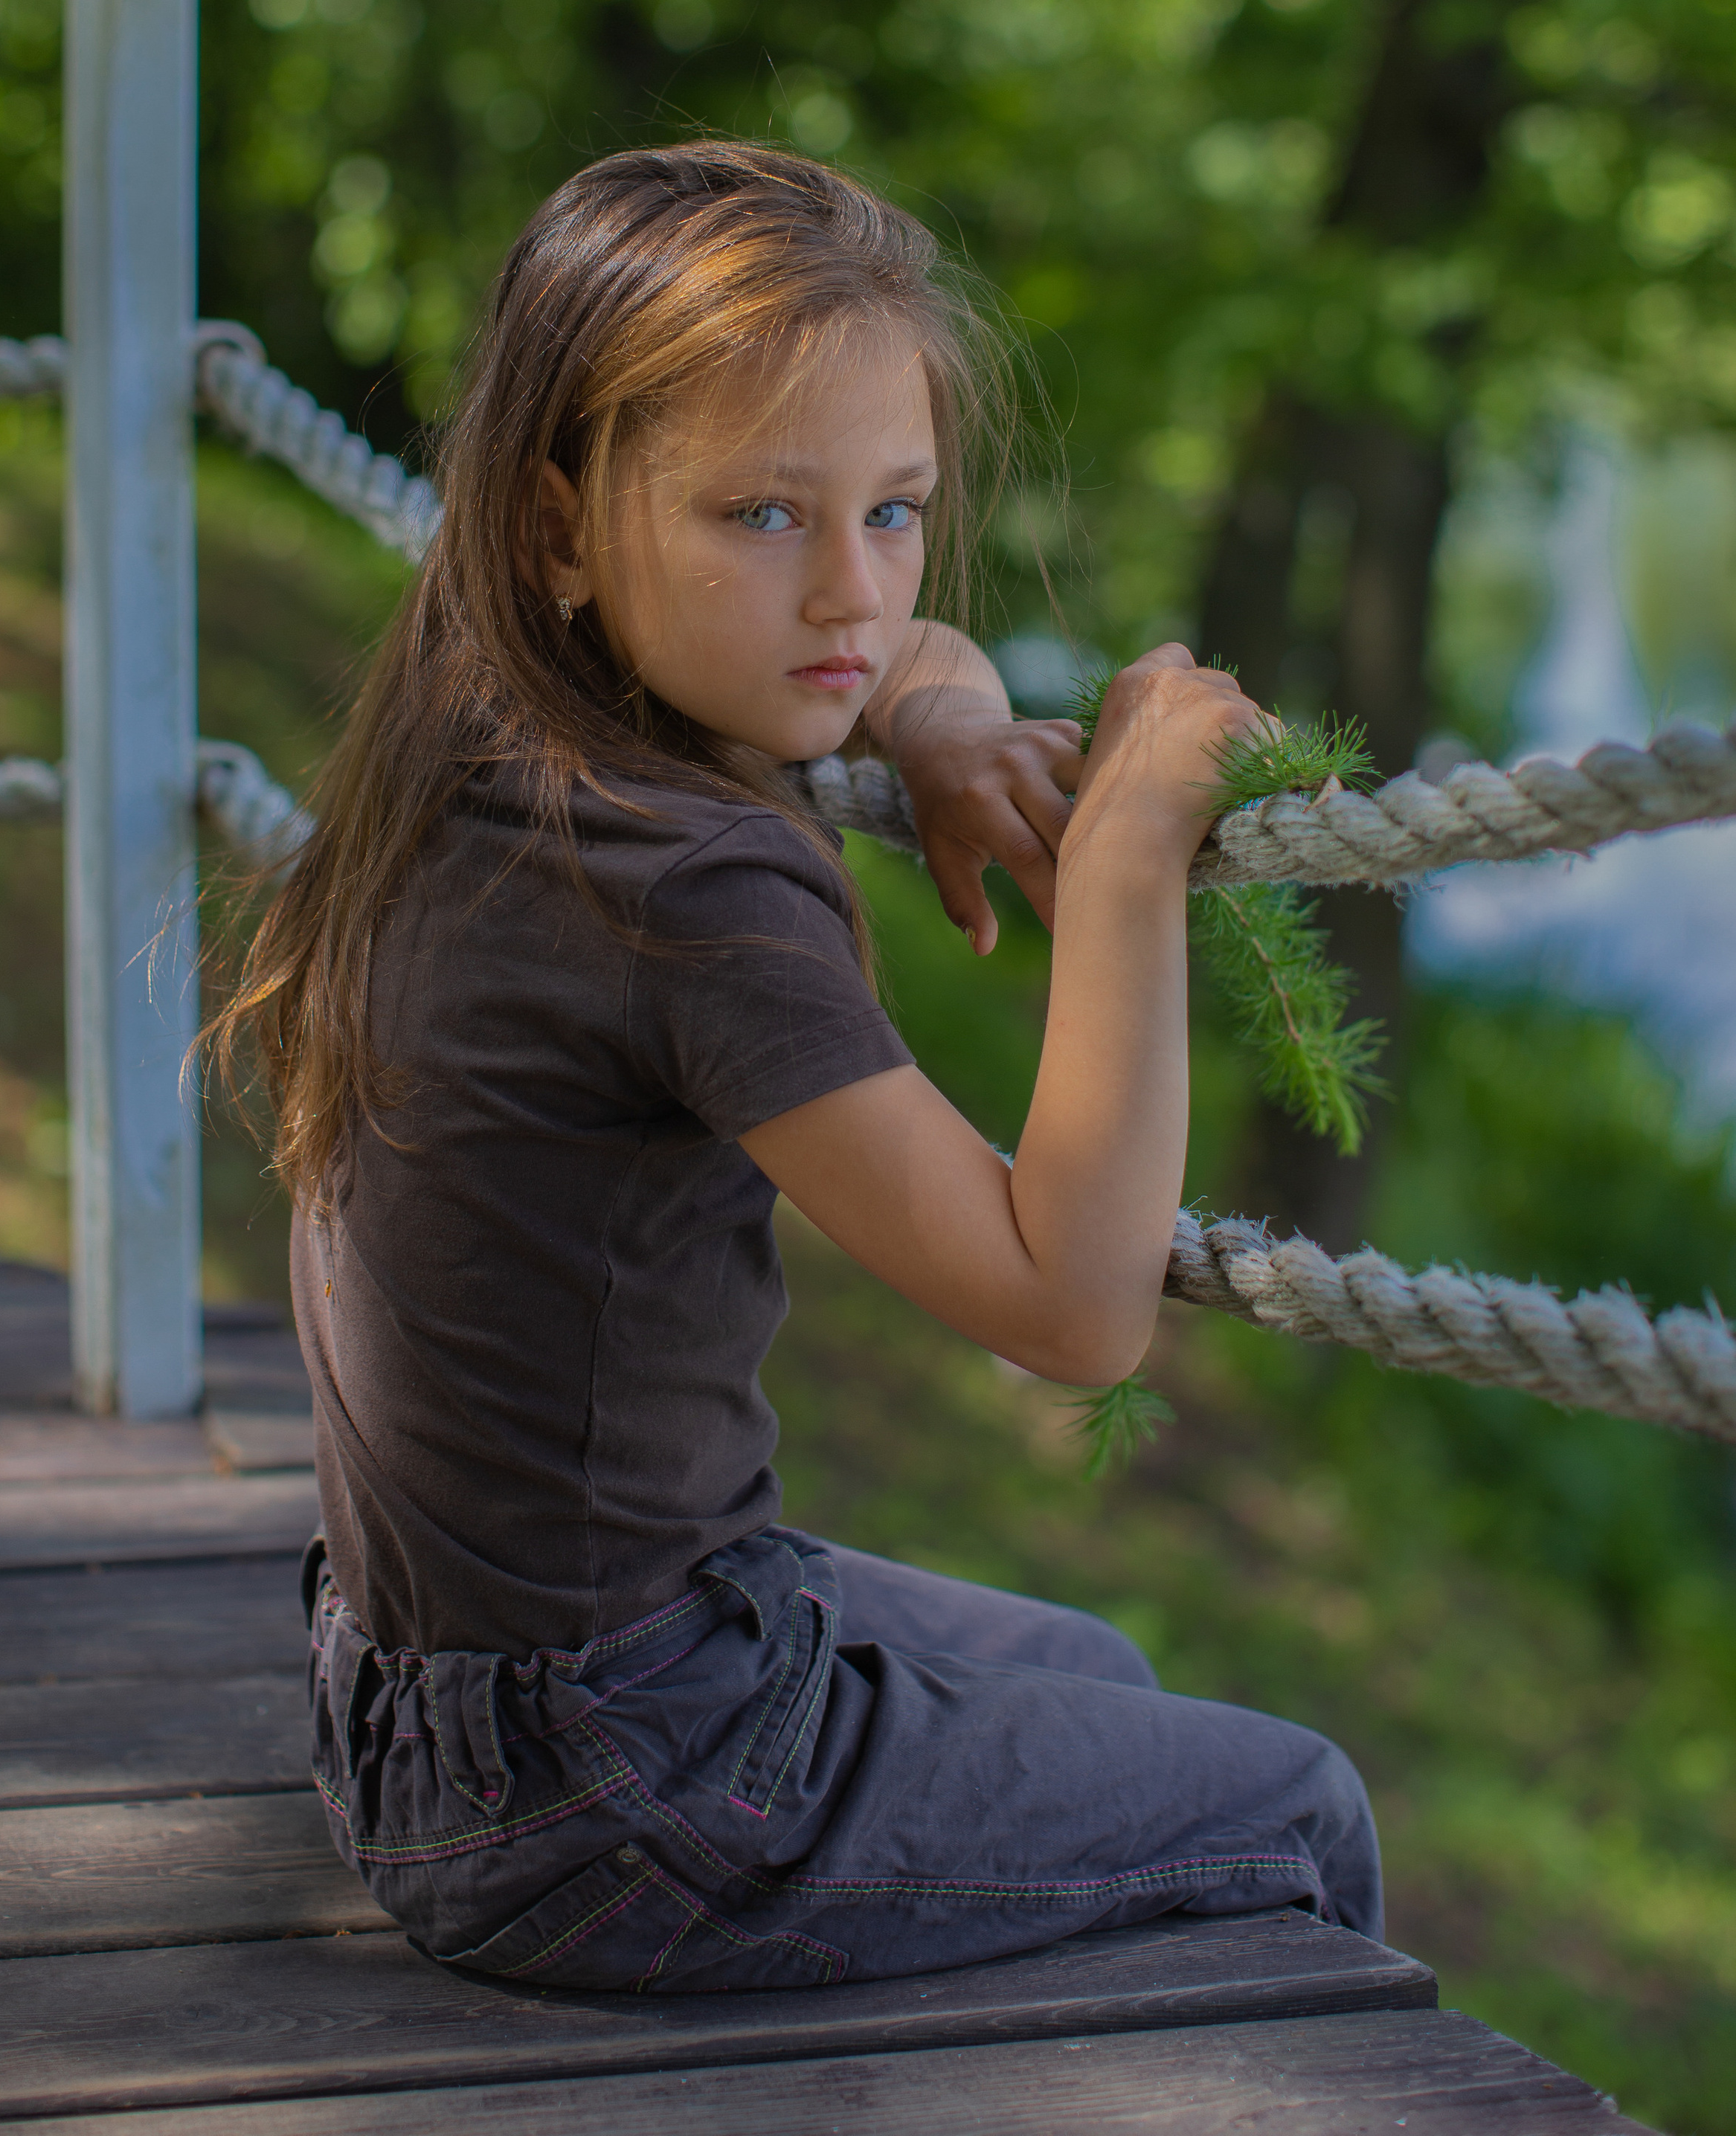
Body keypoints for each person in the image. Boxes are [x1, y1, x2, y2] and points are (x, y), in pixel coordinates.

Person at [211, 138, 1381, 1993]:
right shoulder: (687, 883)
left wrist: (933, 712)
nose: (850, 589)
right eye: (763, 517)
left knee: (1096, 1676)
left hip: (422, 1716)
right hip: (617, 1787)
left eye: (896, 508)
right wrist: (1133, 844)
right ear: (556, 525)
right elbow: (1066, 1309)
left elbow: (883, 639)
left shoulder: (481, 732)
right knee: (1297, 1804)